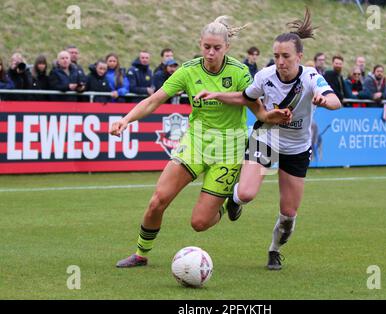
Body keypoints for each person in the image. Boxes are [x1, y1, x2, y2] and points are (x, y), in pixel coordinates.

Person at [110, 16, 291, 268]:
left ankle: (231, 202)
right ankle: (141, 254)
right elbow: (154, 100)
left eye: (216, 48)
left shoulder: (239, 72)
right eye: (206, 47)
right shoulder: (188, 70)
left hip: (229, 149)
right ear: (200, 44)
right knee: (157, 201)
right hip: (195, 143)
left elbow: (258, 111)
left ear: (226, 47)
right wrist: (126, 119)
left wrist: (273, 116)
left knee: (199, 224)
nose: (210, 52)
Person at [195, 8, 341, 270]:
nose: (280, 61)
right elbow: (246, 98)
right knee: (248, 193)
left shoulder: (311, 78)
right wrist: (216, 95)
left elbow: (335, 100)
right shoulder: (265, 76)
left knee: (288, 215)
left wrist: (323, 100)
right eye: (276, 56)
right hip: (267, 136)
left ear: (299, 56)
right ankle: (235, 200)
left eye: (285, 56)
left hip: (297, 147)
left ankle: (274, 250)